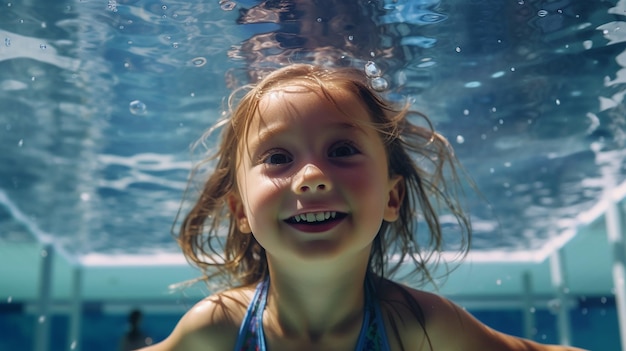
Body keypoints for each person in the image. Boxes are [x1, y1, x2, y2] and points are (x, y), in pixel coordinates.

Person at [143, 64, 588, 350]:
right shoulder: (218, 329)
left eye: (341, 150)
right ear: (241, 212)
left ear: (391, 197)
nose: (312, 175)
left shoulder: (418, 327)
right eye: (278, 158)